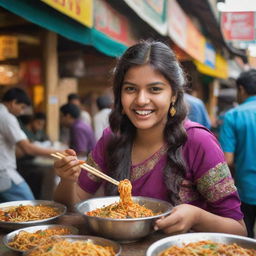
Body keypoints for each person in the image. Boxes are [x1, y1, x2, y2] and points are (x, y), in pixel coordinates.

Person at [53, 40, 246, 236]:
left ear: (173, 94)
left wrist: (196, 216)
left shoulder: (198, 141)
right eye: (130, 89)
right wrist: (67, 179)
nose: (141, 100)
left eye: (155, 89)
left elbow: (238, 229)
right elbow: (73, 203)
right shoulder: (112, 138)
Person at [0, 87, 57, 202]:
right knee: (28, 203)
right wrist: (57, 153)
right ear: (13, 103)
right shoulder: (6, 117)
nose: (21, 112)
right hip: (4, 171)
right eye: (21, 107)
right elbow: (28, 148)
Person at [219, 69, 256, 238]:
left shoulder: (233, 115)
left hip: (246, 190)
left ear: (241, 89)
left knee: (243, 240)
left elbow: (228, 159)